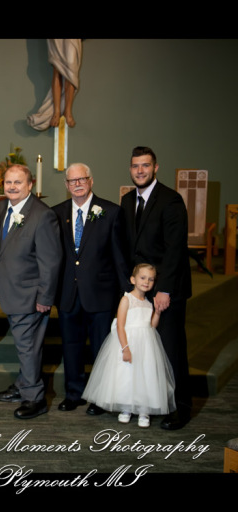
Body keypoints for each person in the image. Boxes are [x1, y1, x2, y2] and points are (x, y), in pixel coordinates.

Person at [120, 146, 192, 430]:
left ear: (155, 168)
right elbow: (129, 246)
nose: (140, 171)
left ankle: (181, 408)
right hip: (139, 290)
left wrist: (165, 290)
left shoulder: (171, 200)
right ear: (130, 168)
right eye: (135, 166)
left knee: (171, 349)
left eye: (145, 166)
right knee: (144, 349)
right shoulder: (127, 201)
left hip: (165, 290)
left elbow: (175, 250)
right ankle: (147, 403)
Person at [52, 163, 129, 415]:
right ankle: (74, 393)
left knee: (100, 350)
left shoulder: (111, 212)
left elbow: (119, 257)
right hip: (68, 295)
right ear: (66, 185)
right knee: (71, 347)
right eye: (72, 180)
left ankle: (99, 397)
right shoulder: (57, 213)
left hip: (101, 294)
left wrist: (124, 295)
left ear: (91, 181)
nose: (77, 184)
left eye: (82, 179)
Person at [0, 165, 63, 420]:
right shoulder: (2, 208)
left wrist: (45, 298)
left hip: (30, 295)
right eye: (8, 182)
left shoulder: (42, 215)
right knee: (25, 346)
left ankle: (35, 399)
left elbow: (51, 261)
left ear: (30, 185)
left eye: (18, 182)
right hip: (10, 290)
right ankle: (23, 385)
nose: (12, 187)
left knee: (27, 348)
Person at [82, 264, 176, 428]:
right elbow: (120, 325)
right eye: (142, 277)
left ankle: (143, 410)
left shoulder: (148, 303)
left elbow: (152, 326)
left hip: (146, 345)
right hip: (128, 343)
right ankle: (126, 408)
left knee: (145, 375)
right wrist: (125, 348)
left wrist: (158, 312)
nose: (146, 282)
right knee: (127, 374)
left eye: (151, 279)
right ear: (133, 279)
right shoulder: (126, 299)